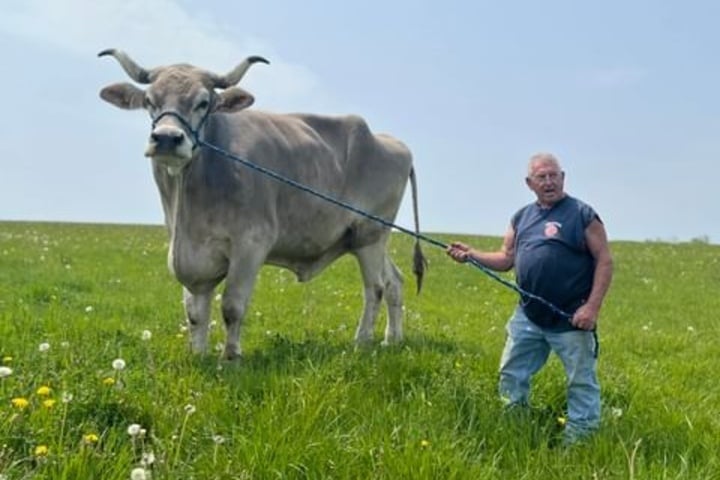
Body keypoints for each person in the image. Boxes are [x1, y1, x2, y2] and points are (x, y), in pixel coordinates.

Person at [446, 152, 613, 445]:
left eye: (554, 175)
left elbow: (604, 261)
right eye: (542, 177)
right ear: (529, 183)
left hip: (571, 318)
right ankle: (515, 426)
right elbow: (506, 258)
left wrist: (592, 307)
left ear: (563, 178)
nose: (549, 182)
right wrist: (471, 255)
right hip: (528, 315)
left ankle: (580, 441)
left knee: (580, 381)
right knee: (511, 372)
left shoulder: (583, 215)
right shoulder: (521, 217)